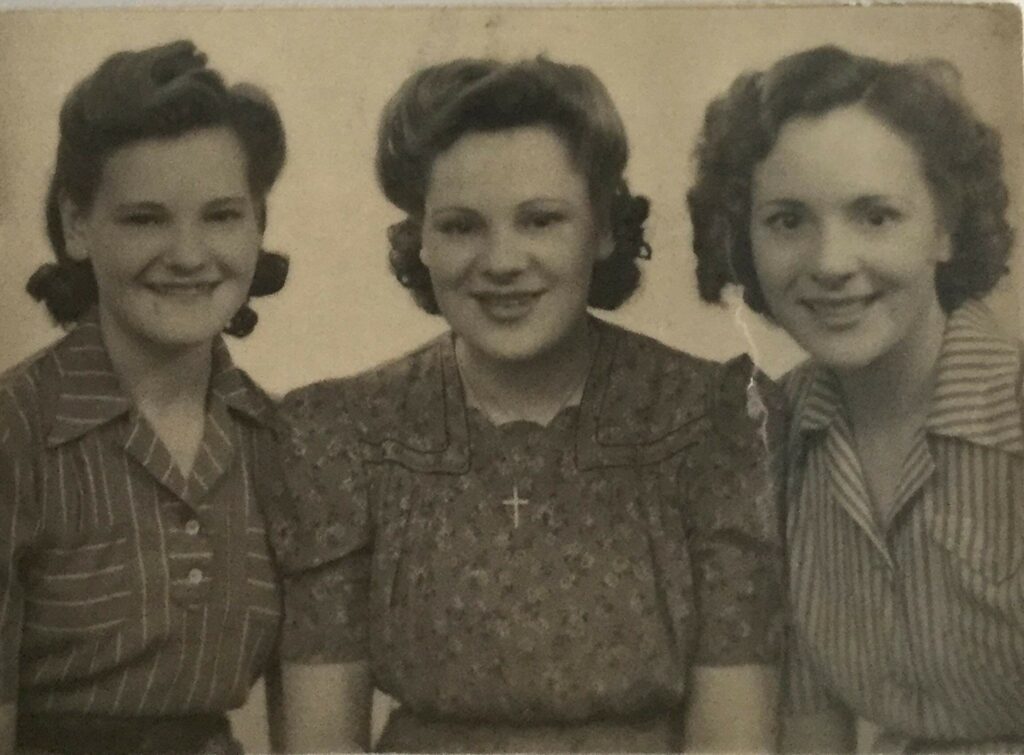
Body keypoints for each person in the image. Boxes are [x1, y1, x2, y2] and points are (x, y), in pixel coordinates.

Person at [264, 56, 782, 754]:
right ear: (418, 238)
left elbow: (733, 737)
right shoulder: (345, 435)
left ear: (602, 228)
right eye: (460, 226)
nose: (502, 260)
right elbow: (321, 742)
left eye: (540, 220)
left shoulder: (707, 420)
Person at [688, 44, 1022, 752]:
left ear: (945, 228)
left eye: (875, 216)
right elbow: (814, 729)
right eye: (787, 220)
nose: (831, 262)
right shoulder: (775, 438)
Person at [0, 40, 289, 754]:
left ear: (258, 224)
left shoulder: (278, 438)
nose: (189, 254)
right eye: (145, 218)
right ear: (76, 224)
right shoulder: (15, 433)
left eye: (221, 215)